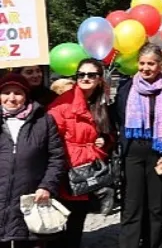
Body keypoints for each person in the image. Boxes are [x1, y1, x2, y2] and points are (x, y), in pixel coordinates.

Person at [112, 44, 162, 248]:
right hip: (132, 153)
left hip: (159, 153)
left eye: (151, 63)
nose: (145, 68)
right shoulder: (127, 88)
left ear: (160, 65)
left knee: (157, 207)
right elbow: (116, 116)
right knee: (132, 206)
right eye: (142, 63)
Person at [48, 59, 115, 248]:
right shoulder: (63, 104)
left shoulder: (100, 103)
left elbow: (109, 133)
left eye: (91, 75)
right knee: (61, 226)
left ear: (99, 78)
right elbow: (52, 139)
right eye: (81, 74)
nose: (85, 78)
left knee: (77, 223)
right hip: (69, 169)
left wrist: (106, 141)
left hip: (88, 171)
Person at [0, 73, 65, 247]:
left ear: (26, 95)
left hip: (30, 198)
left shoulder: (43, 121)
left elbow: (56, 157)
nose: (11, 98)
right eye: (6, 92)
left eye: (17, 93)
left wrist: (47, 186)